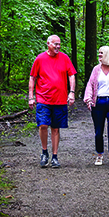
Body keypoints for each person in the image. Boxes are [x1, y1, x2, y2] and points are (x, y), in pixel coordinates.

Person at [28, 34, 77, 168]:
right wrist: (31, 97)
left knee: (55, 128)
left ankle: (55, 156)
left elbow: (71, 75)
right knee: (43, 125)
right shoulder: (40, 59)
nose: (58, 46)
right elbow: (32, 77)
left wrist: (71, 93)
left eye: (59, 44)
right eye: (56, 44)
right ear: (48, 44)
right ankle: (44, 152)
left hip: (60, 99)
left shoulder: (64, 58)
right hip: (43, 98)